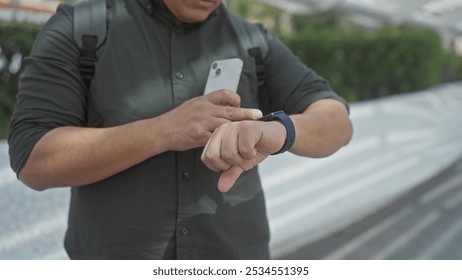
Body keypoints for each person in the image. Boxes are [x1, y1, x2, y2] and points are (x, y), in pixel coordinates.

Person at [8, 0, 353, 260]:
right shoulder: (82, 26)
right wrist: (162, 131)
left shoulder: (253, 39)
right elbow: (33, 158)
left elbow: (337, 121)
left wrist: (279, 131)